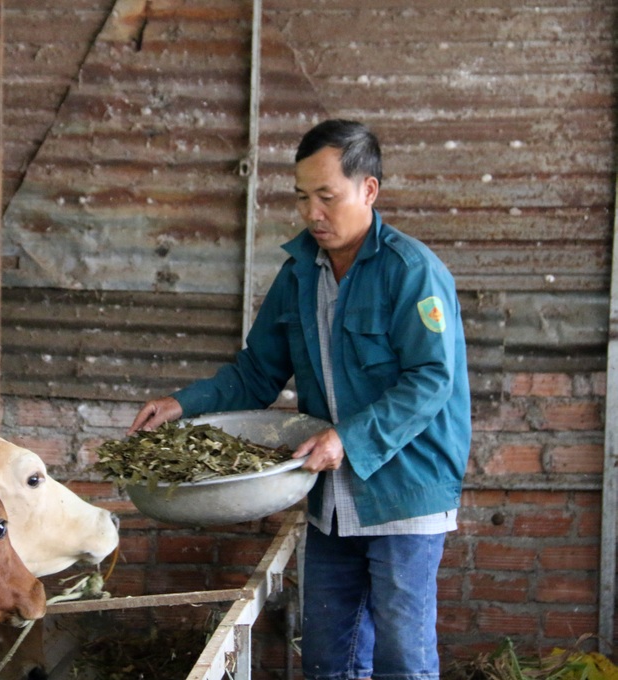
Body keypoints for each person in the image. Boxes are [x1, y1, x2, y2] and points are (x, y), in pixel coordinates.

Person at [127, 119, 470, 680]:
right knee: (328, 659)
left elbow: (432, 379)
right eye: (303, 197)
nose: (313, 213)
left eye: (327, 197)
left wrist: (347, 438)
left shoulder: (412, 272)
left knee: (402, 660)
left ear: (369, 190)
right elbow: (258, 371)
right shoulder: (299, 276)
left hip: (404, 496)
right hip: (333, 500)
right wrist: (182, 404)